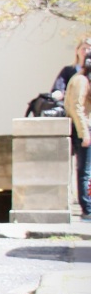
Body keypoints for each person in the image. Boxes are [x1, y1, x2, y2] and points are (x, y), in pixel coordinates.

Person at [68, 56, 91, 219]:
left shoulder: (82, 79)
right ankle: (87, 209)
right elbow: (77, 107)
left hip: (85, 128)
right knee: (85, 171)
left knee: (86, 170)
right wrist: (84, 133)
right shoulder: (81, 80)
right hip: (84, 129)